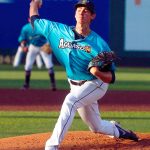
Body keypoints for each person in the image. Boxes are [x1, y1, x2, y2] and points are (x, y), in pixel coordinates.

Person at [29, 0, 139, 149]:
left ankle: (52, 145)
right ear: (75, 14)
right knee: (96, 127)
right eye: (79, 9)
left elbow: (111, 77)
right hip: (74, 84)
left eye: (86, 10)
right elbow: (35, 21)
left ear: (93, 16)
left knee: (70, 101)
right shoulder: (56, 30)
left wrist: (97, 72)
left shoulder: (99, 44)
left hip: (96, 83)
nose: (82, 12)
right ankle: (117, 130)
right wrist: (34, 4)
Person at [20, 18, 56, 91]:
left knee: (49, 65)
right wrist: (23, 46)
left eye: (34, 19)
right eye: (31, 19)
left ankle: (53, 85)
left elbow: (50, 36)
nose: (33, 21)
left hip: (43, 46)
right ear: (28, 19)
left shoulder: (42, 27)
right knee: (28, 65)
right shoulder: (26, 28)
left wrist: (49, 44)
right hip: (33, 46)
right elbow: (22, 39)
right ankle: (26, 84)